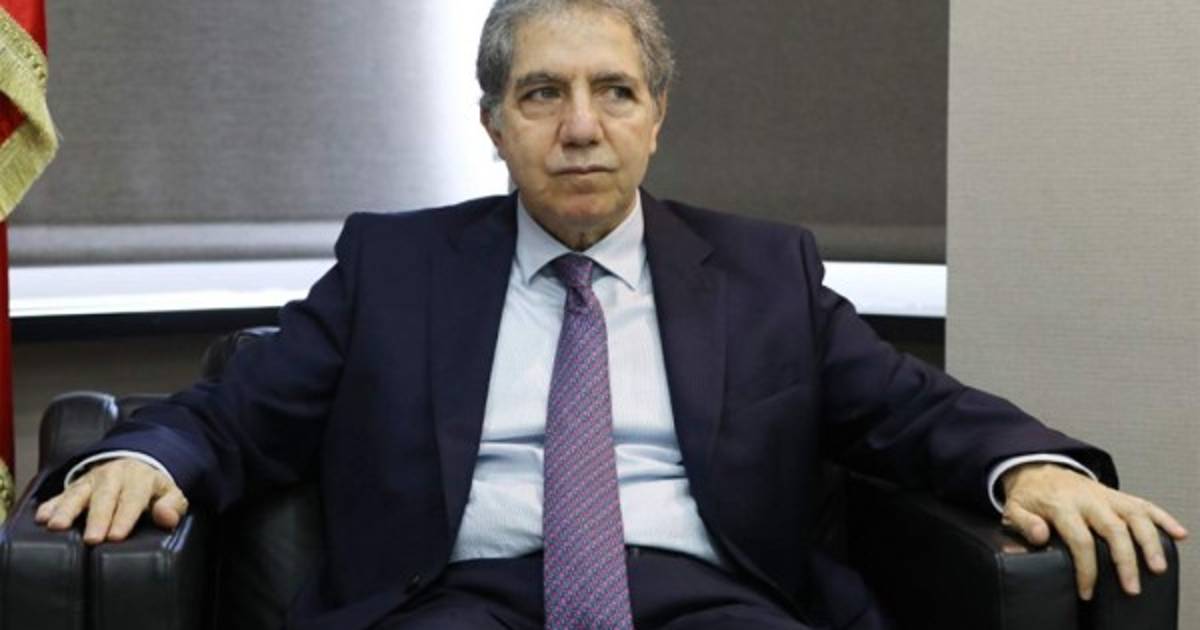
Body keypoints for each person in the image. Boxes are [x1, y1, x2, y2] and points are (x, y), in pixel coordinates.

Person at [35, 1, 1187, 629]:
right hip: (457, 598)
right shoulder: (395, 266)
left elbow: (909, 407)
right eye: (543, 93)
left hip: (710, 597)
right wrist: (145, 455)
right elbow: (240, 408)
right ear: (494, 123)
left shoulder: (763, 272)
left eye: (614, 92)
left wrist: (1032, 468)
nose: (580, 126)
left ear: (655, 117)